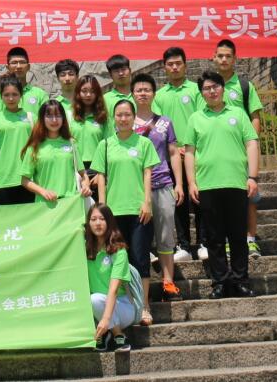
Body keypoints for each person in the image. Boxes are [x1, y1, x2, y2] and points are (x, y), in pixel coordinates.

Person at [183, 70, 260, 299]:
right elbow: (189, 152)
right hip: (207, 185)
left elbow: (251, 144)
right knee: (214, 238)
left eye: (215, 86)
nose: (212, 91)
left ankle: (240, 280)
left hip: (237, 183)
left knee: (238, 236)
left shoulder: (238, 114)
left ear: (223, 89)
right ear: (201, 93)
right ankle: (219, 282)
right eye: (206, 88)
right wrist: (191, 182)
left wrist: (252, 177)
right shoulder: (195, 118)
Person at [93, 99, 158, 317]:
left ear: (133, 117)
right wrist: (102, 209)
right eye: (119, 115)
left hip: (139, 211)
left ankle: (144, 306)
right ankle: (123, 306)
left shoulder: (144, 143)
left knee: (140, 258)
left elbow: (147, 174)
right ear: (114, 118)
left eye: (127, 115)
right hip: (113, 213)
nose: (123, 119)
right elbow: (101, 178)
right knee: (117, 260)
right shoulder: (105, 145)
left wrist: (147, 202)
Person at [131, 73, 183, 307]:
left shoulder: (165, 122)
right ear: (132, 94)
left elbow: (173, 153)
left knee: (165, 235)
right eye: (138, 90)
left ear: (154, 94)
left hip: (162, 184)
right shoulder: (125, 121)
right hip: (136, 188)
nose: (143, 93)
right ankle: (140, 287)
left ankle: (168, 282)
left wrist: (178, 183)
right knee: (139, 238)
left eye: (147, 89)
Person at [153, 47, 206, 264]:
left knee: (200, 198)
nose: (174, 67)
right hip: (171, 156)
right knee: (178, 199)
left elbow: (202, 118)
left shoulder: (196, 90)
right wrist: (172, 147)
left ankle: (203, 242)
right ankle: (183, 245)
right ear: (164, 67)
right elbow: (157, 126)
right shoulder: (159, 96)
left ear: (185, 65)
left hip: (195, 154)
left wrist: (190, 145)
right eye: (170, 64)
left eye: (178, 63)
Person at [214, 39, 264, 258]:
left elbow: (255, 117)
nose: (224, 59)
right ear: (214, 58)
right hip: (218, 153)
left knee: (249, 196)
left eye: (228, 56)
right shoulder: (209, 86)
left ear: (235, 59)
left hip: (242, 152)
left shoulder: (244, 86)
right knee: (223, 198)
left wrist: (251, 144)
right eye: (220, 56)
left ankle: (250, 239)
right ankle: (227, 240)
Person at [19, 99, 90, 204]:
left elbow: (83, 174)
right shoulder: (34, 146)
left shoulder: (71, 143)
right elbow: (25, 180)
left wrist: (85, 186)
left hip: (71, 204)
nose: (54, 120)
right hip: (44, 205)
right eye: (49, 116)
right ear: (42, 119)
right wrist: (43, 192)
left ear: (63, 118)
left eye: (58, 115)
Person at [86, 204, 136, 353]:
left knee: (95, 299)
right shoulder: (84, 249)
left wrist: (105, 319)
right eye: (93, 219)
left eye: (102, 219)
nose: (97, 223)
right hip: (97, 309)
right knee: (94, 300)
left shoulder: (119, 251)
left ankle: (118, 334)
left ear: (109, 222)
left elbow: (113, 290)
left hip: (122, 307)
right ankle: (106, 332)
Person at [0, 76, 36, 205]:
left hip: (30, 179)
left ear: (21, 95)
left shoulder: (32, 118)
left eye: (15, 94)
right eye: (6, 95)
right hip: (4, 180)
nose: (11, 98)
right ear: (1, 96)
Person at [72, 74, 112, 194]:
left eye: (92, 91)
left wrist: (102, 173)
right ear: (78, 93)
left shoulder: (104, 118)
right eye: (84, 91)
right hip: (75, 169)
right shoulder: (70, 116)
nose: (88, 95)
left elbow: (110, 146)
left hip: (98, 170)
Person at [4, 47, 50, 117]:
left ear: (28, 67)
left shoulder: (40, 94)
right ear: (7, 67)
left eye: (22, 62)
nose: (18, 66)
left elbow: (46, 119)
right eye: (14, 62)